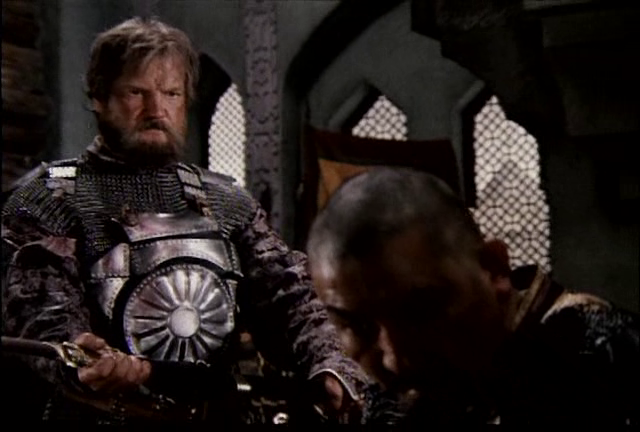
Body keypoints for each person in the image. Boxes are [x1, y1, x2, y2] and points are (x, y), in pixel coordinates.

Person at [1, 17, 379, 427]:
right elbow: (44, 312)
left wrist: (328, 361)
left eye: (171, 93)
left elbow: (288, 292)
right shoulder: (49, 197)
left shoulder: (225, 201)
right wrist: (83, 356)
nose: (156, 110)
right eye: (136, 93)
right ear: (99, 97)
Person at [306, 166, 639, 427]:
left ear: (493, 268)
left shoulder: (604, 363)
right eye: (360, 327)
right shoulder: (402, 395)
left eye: (419, 312)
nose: (395, 359)